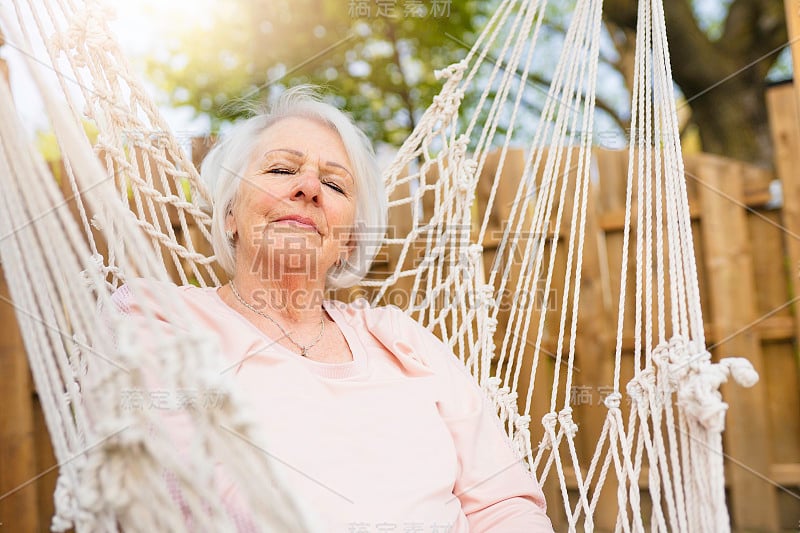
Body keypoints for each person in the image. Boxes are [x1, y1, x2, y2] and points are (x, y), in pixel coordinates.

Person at [112, 86, 553, 532]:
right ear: (230, 213)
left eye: (334, 183)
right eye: (282, 168)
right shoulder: (161, 318)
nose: (308, 188)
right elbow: (192, 487)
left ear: (348, 241)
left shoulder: (402, 339)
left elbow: (503, 504)